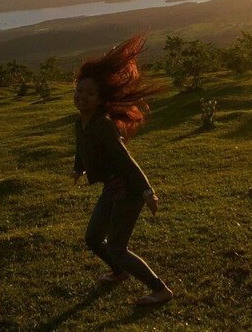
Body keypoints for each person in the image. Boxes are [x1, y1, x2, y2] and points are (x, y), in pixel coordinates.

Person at [72, 33, 174, 306]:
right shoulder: (81, 122)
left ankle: (160, 289)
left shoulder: (104, 124)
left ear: (100, 99)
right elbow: (81, 147)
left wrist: (147, 191)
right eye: (80, 91)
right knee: (93, 238)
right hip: (112, 187)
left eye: (90, 93)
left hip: (127, 190)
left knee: (117, 246)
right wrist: (78, 168)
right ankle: (119, 272)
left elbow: (126, 159)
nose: (82, 97)